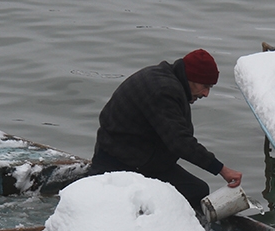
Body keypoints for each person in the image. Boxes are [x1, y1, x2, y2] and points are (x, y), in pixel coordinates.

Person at [89, 48, 242, 211]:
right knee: (196, 192)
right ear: (190, 77)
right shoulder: (164, 91)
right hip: (121, 163)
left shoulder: (168, 78)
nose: (206, 93)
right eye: (205, 86)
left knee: (198, 189)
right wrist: (221, 169)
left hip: (135, 154)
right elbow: (180, 142)